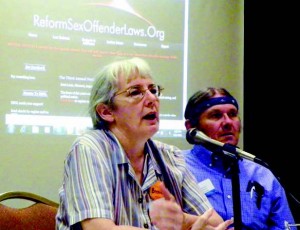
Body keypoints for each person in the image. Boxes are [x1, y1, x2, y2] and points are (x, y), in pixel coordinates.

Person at [55, 58, 234, 230]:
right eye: (135, 92)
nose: (152, 99)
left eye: (153, 90)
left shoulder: (170, 155)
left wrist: (183, 219)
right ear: (106, 111)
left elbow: (216, 223)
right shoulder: (90, 149)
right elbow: (98, 228)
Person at [183, 87, 296, 229]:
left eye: (233, 114)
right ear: (191, 127)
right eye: (216, 116)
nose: (228, 122)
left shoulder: (262, 174)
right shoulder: (177, 167)